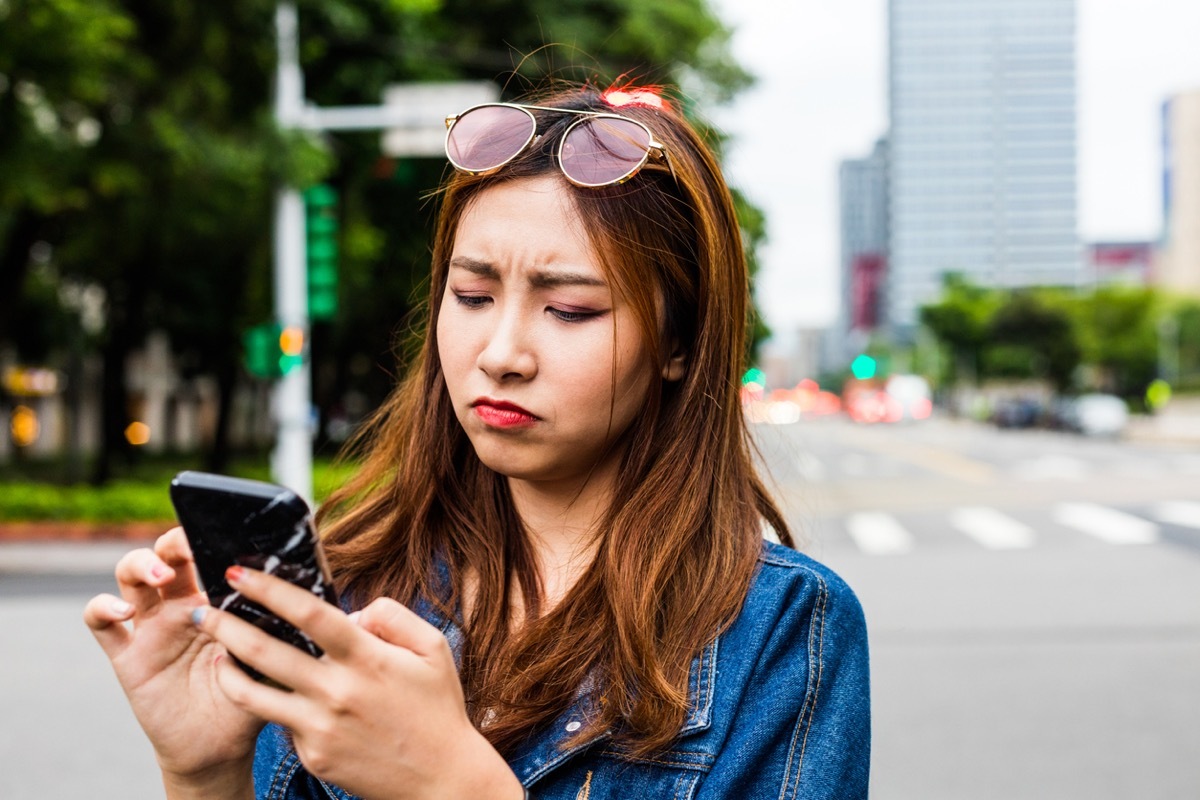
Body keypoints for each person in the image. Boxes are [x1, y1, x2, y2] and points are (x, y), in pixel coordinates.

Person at [84, 83, 870, 799]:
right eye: (472, 295)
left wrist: (456, 787)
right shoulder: (351, 582)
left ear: (680, 344)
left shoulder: (782, 626)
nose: (501, 354)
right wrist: (203, 772)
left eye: (569, 310)